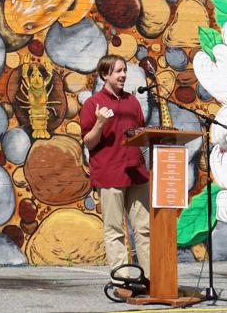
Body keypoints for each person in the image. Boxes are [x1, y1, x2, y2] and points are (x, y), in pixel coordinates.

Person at [79, 55, 150, 299]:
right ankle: (123, 282)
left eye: (124, 71)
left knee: (144, 229)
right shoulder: (93, 104)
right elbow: (89, 141)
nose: (122, 75)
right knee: (114, 230)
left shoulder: (133, 102)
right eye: (118, 71)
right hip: (110, 173)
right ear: (104, 75)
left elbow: (140, 131)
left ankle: (150, 280)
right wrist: (99, 123)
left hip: (137, 172)